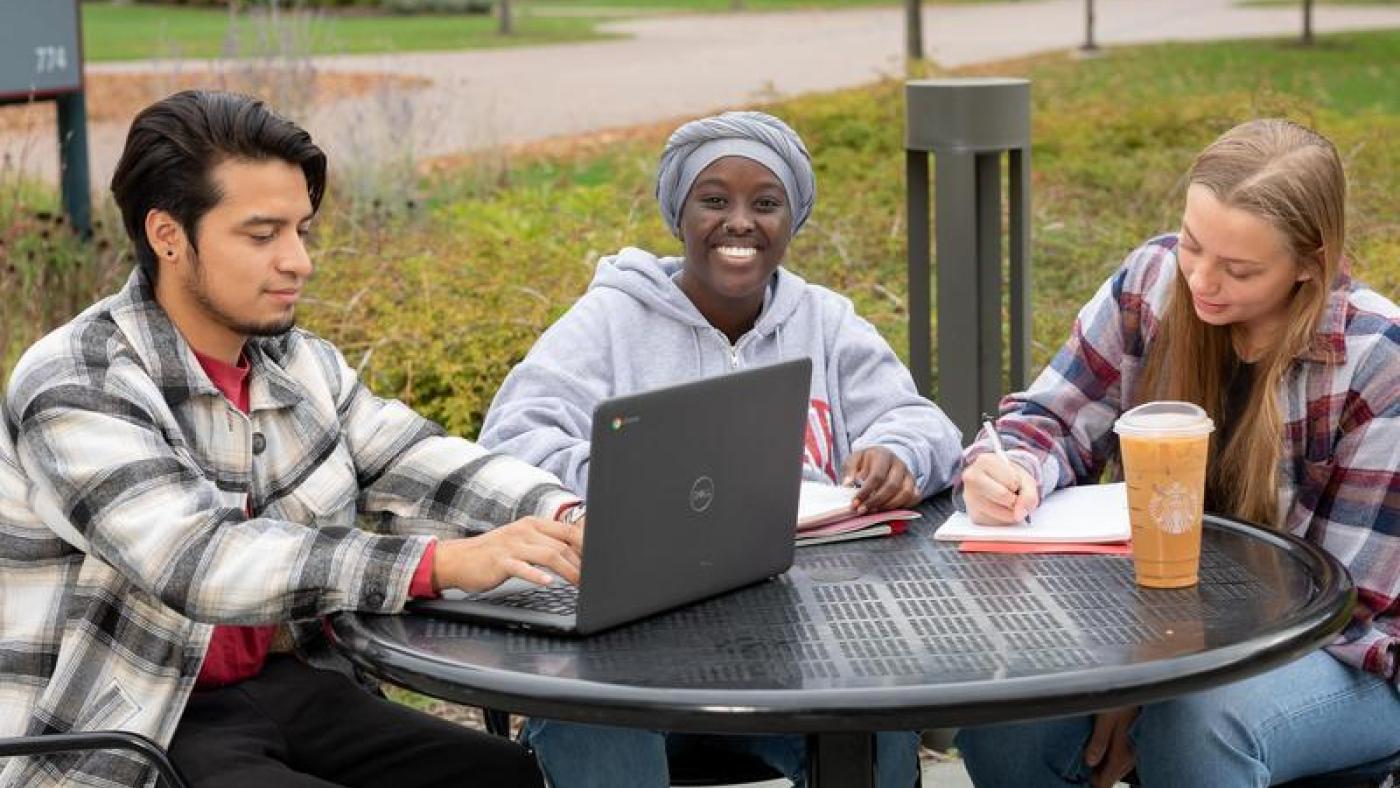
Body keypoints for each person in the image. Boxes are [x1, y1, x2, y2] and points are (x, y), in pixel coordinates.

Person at [0, 90, 587, 788]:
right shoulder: (76, 381)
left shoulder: (296, 361)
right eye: (262, 235)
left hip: (289, 682)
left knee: (511, 778)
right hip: (134, 721)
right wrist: (439, 563)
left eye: (301, 231)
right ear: (167, 236)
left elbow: (417, 459)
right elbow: (197, 560)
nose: (298, 261)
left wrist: (564, 515)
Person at [478, 110, 962, 787]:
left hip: (804, 638)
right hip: (629, 648)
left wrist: (897, 451)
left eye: (766, 203)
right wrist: (622, 479)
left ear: (793, 221)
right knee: (586, 725)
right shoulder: (612, 319)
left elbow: (925, 423)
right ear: (680, 213)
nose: (740, 221)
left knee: (874, 731)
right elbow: (509, 440)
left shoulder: (825, 320)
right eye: (714, 200)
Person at [955, 118, 1400, 787]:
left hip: (1350, 653)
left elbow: (1339, 600)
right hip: (1163, 626)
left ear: (1311, 262)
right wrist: (1012, 466)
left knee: (1194, 727)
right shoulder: (1153, 279)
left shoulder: (1377, 359)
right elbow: (1052, 418)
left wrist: (1143, 679)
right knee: (1014, 714)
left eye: (1240, 268)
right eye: (1194, 243)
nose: (1201, 279)